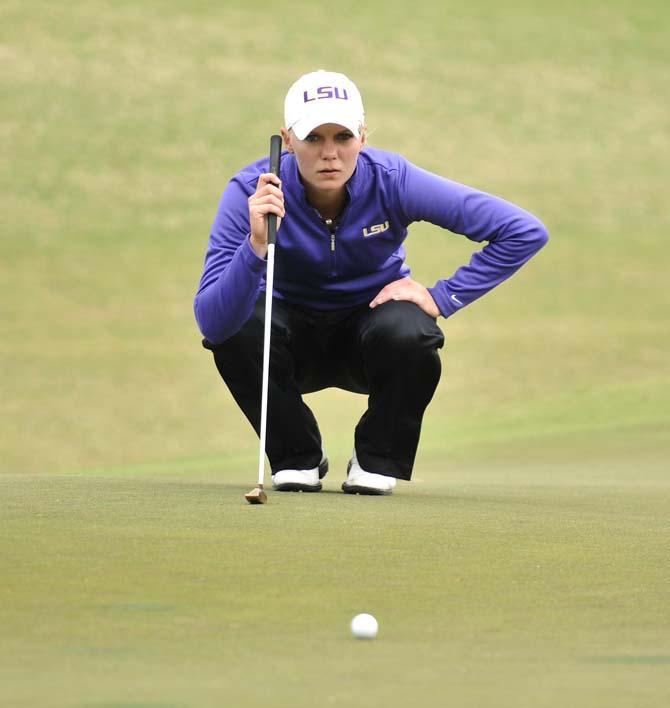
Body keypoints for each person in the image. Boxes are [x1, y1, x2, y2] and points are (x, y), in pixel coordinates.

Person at [194, 69, 548, 496]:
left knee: (411, 329)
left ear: (363, 136)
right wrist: (254, 246)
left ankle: (378, 456)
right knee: (239, 326)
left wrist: (442, 297)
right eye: (313, 138)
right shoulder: (252, 191)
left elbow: (523, 231)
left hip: (371, 340)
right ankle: (296, 455)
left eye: (343, 137)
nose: (330, 154)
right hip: (287, 345)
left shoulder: (392, 179)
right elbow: (213, 324)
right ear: (287, 141)